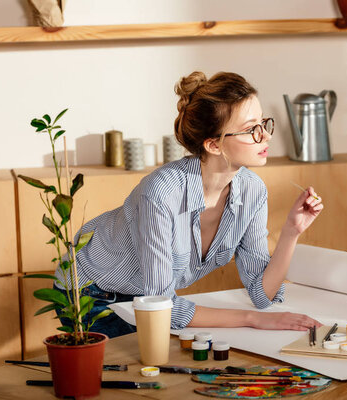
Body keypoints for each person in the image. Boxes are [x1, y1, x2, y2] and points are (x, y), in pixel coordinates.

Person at [55, 71, 324, 338]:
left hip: (147, 297)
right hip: (91, 293)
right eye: (250, 129)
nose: (265, 136)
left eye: (263, 123)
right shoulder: (161, 193)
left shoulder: (252, 191)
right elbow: (162, 304)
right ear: (213, 145)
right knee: (143, 370)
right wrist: (252, 319)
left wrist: (291, 231)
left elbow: (262, 294)